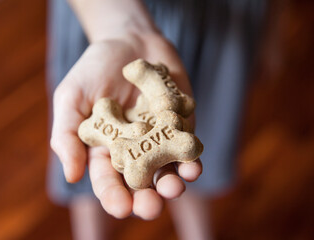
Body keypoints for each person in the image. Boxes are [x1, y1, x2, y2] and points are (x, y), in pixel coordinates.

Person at [47, 0, 266, 239]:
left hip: (222, 20)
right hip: (100, 11)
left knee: (191, 162)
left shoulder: (170, 120)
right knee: (90, 178)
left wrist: (273, 26)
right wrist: (119, 26)